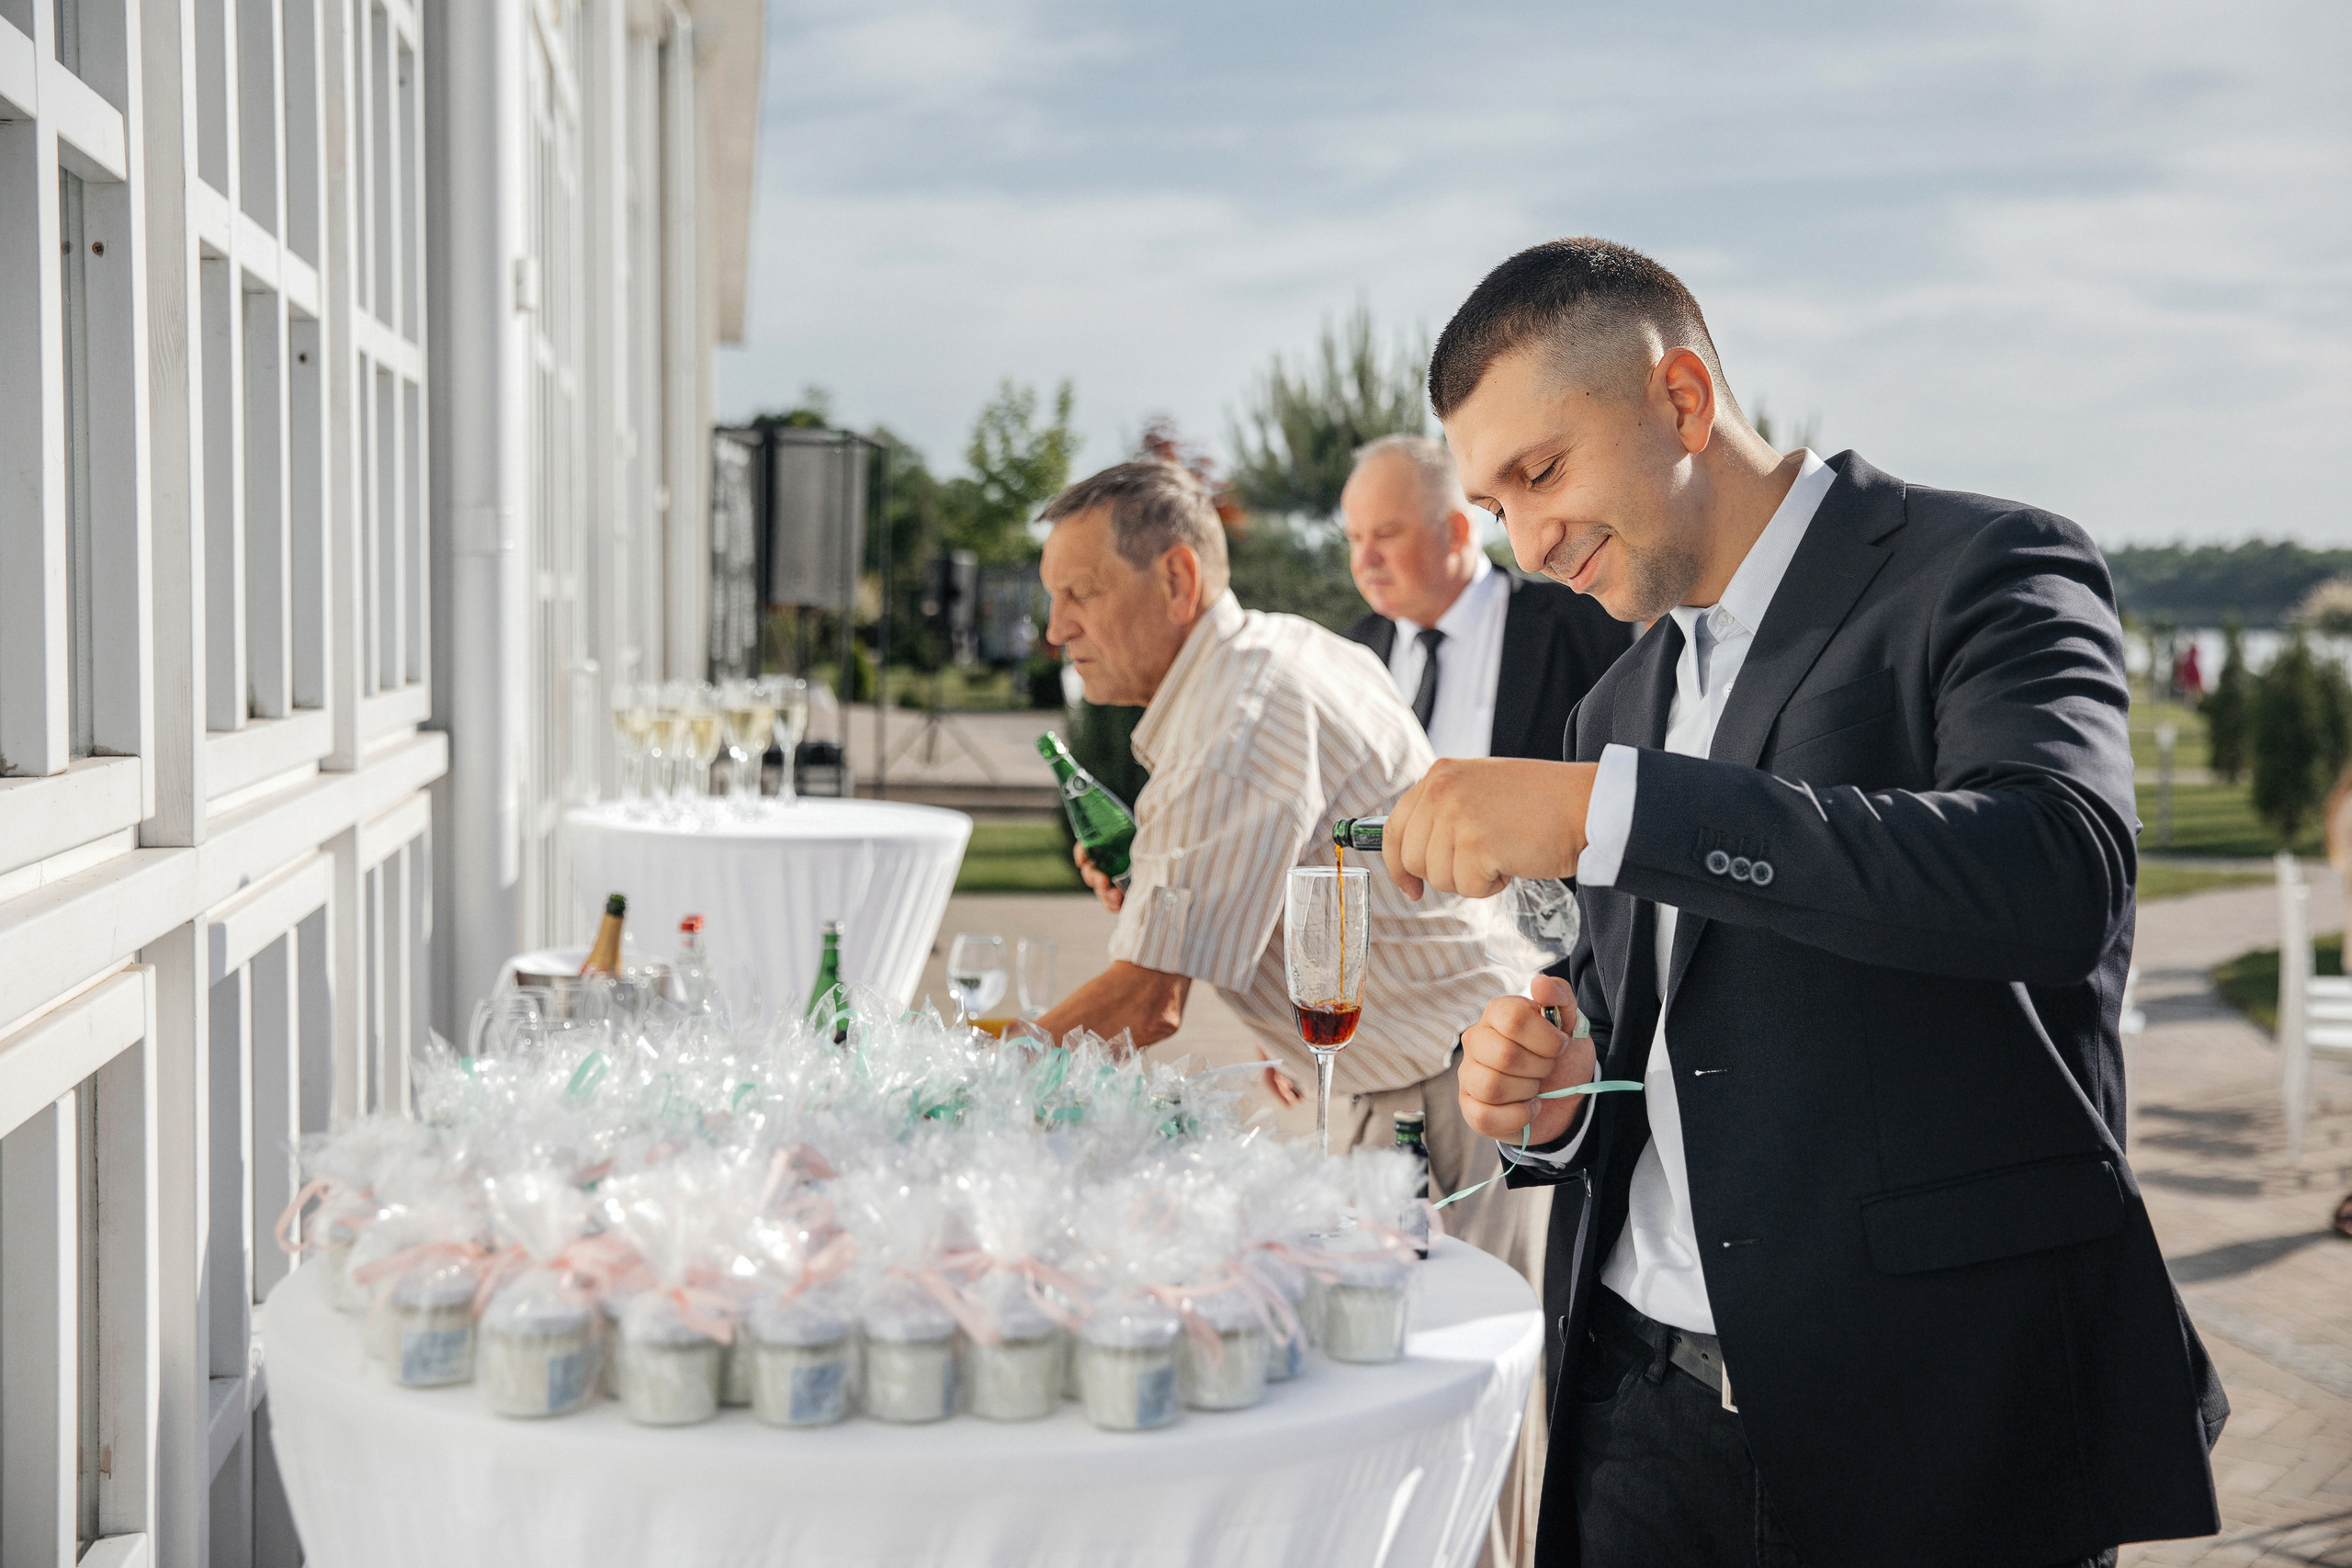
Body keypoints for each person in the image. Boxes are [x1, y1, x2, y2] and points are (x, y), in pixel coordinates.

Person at [1376, 237, 2225, 1568]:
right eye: (1494, 505)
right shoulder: (1616, 701)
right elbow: (1649, 1034)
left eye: (1540, 473)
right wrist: (1556, 1097)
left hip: (1929, 1425)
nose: (1527, 544)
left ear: (1684, 399)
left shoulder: (1987, 565)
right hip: (1636, 1419)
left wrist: (1612, 812)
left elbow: (2056, 874)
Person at [1027, 459, 1550, 1565]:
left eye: (1076, 593)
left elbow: (1148, 1001)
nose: (1052, 627)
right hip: (1401, 1073)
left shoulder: (1233, 718)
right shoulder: (1283, 649)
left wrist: (958, 1090)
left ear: (1175, 577)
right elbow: (1307, 867)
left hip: (1445, 1102)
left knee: (1454, 1473)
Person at [1340, 434, 1631, 763]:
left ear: (1456, 533)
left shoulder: (1585, 626)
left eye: (1386, 534)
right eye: (1354, 538)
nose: (1364, 561)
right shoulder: (1345, 656)